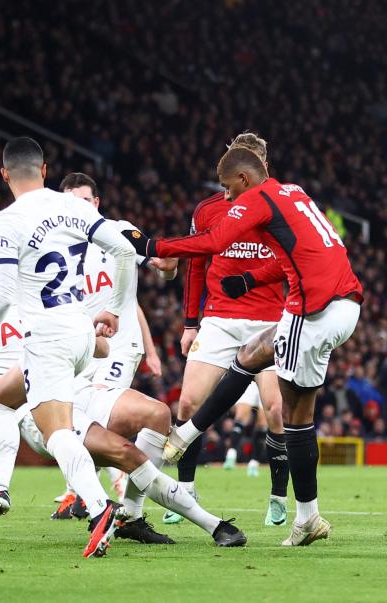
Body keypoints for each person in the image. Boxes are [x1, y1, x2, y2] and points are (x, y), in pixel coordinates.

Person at [0, 239, 245, 548]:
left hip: (77, 386)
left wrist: (94, 337)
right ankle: (210, 525)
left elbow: (99, 350)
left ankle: (127, 514)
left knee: (158, 414)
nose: (11, 267)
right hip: (34, 404)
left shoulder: (49, 298)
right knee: (124, 453)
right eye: (2, 261)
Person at [124, 146, 363, 546]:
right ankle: (188, 439)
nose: (227, 197)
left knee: (294, 417)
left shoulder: (257, 199)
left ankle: (306, 518)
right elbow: (295, 258)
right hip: (333, 304)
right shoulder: (294, 193)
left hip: (316, 311)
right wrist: (250, 281)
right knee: (253, 355)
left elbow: (214, 241)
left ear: (245, 179)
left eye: (228, 187)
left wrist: (153, 247)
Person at [0, 136, 139, 558]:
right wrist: (113, 311)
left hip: (48, 337)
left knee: (57, 433)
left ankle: (98, 508)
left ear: (4, 174)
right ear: (46, 170)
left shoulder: (5, 220)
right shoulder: (75, 206)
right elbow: (125, 251)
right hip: (83, 331)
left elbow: (2, 295)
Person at [165, 132, 290, 527]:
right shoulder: (208, 210)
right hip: (219, 318)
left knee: (275, 410)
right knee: (188, 405)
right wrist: (189, 323)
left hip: (269, 319)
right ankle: (185, 492)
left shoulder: (281, 207)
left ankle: (277, 496)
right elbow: (196, 265)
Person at [51, 171, 177, 512]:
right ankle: (82, 491)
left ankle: (126, 491)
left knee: (104, 416)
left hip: (120, 345)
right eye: (71, 202)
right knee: (73, 416)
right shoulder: (57, 245)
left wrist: (166, 267)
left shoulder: (118, 231)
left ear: (96, 203)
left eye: (85, 201)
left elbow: (158, 264)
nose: (79, 208)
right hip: (81, 347)